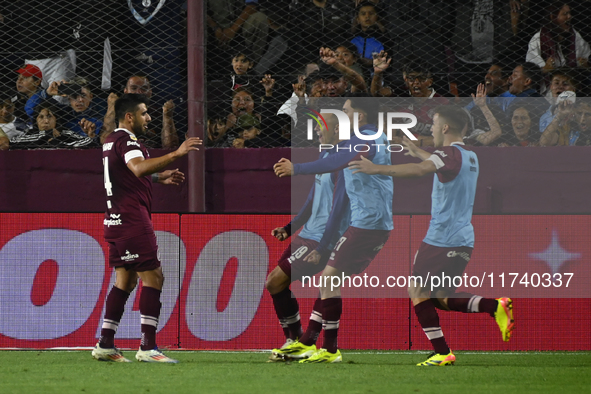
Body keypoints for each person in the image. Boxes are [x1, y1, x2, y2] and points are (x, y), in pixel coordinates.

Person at [348, 105, 513, 367]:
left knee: (417, 290)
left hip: (442, 237)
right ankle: (494, 307)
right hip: (463, 238)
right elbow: (443, 165)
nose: (433, 129)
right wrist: (419, 152)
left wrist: (374, 169)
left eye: (435, 124)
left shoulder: (445, 154)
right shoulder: (469, 156)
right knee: (440, 297)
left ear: (445, 128)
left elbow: (419, 171)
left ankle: (442, 352)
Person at [273, 96, 393, 363]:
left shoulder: (363, 141)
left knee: (316, 280)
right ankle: (312, 344)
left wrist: (297, 168)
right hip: (360, 224)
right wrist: (303, 105)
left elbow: (338, 205)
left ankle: (315, 345)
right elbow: (315, 196)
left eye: (346, 111)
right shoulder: (340, 149)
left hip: (364, 224)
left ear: (358, 118)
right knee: (328, 281)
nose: (343, 114)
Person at [92, 94, 202, 363]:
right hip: (131, 220)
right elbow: (138, 167)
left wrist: (159, 177)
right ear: (129, 117)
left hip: (114, 221)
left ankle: (105, 343)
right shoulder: (127, 140)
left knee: (125, 281)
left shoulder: (110, 140)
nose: (149, 117)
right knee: (154, 278)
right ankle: (148, 347)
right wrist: (176, 153)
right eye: (144, 113)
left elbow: (127, 172)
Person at [266, 114, 349, 361]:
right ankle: (297, 340)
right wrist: (291, 228)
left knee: (277, 281)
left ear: (336, 129)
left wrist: (325, 244)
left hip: (324, 236)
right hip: (308, 233)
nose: (318, 133)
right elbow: (315, 198)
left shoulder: (345, 158)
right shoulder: (326, 156)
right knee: (275, 283)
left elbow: (340, 205)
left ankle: (304, 342)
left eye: (321, 128)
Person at [100, 75, 178, 148]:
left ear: (150, 92)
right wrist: (111, 108)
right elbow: (106, 142)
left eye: (144, 88)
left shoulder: (158, 112)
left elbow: (170, 146)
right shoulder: (117, 112)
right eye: (134, 88)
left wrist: (168, 117)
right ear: (126, 91)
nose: (139, 92)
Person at [525, 2, 590, 72]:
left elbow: (587, 57)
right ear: (553, 17)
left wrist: (586, 65)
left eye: (569, 13)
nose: (569, 16)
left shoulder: (576, 36)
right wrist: (545, 69)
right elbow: (531, 70)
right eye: (565, 14)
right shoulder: (538, 39)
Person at [9, 102, 98, 150]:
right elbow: (12, 143)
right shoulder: (30, 134)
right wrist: (46, 134)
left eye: (50, 117)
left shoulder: (65, 134)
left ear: (56, 119)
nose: (46, 121)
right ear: (36, 121)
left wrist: (59, 144)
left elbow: (90, 143)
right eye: (41, 117)